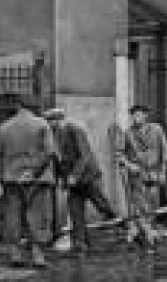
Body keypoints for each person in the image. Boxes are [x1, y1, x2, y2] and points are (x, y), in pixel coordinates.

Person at [0, 94, 56, 267]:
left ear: (18, 106)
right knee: (38, 216)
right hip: (38, 179)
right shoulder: (42, 124)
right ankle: (38, 256)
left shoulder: (4, 127)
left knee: (13, 216)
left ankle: (15, 255)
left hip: (11, 178)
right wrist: (34, 171)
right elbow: (49, 152)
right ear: (33, 106)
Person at [44, 107, 118, 253]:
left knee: (102, 205)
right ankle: (80, 244)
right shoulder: (52, 135)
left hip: (88, 177)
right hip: (73, 182)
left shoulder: (74, 130)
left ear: (60, 119)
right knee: (75, 211)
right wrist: (60, 178)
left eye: (53, 120)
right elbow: (58, 160)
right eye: (49, 121)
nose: (51, 123)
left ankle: (123, 227)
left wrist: (74, 175)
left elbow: (85, 155)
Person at [119, 105, 167, 253]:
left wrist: (163, 172)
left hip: (154, 173)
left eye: (139, 115)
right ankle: (148, 238)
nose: (136, 118)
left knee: (153, 204)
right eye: (134, 116)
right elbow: (120, 154)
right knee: (141, 206)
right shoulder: (128, 133)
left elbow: (165, 151)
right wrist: (129, 165)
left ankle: (147, 231)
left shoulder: (157, 129)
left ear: (145, 116)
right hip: (136, 174)